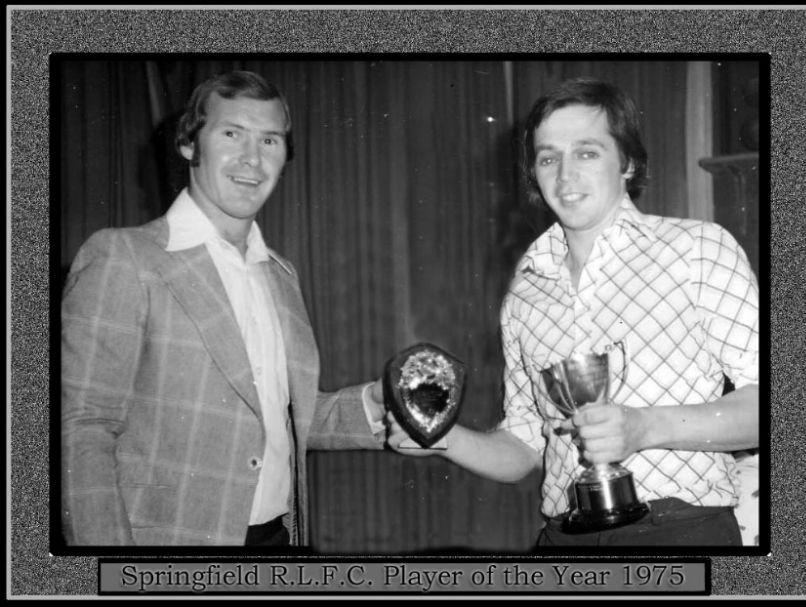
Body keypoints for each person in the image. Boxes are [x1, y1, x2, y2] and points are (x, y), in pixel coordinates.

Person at [387, 77, 759, 547]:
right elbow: (525, 447)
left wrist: (644, 427)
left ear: (627, 162)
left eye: (587, 152)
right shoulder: (526, 290)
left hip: (678, 534)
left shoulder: (697, 248)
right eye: (548, 157)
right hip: (564, 541)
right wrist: (437, 436)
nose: (564, 176)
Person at [61, 70, 386, 547]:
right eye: (232, 133)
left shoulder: (280, 274)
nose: (252, 159)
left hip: (279, 540)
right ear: (190, 144)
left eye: (270, 140)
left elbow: (277, 416)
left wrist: (373, 404)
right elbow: (83, 429)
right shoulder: (123, 256)